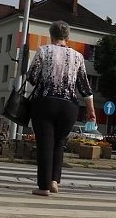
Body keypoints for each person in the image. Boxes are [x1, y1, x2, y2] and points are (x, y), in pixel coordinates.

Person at [26, 20, 95, 196]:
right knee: (59, 142)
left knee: (45, 144)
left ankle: (43, 187)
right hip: (69, 106)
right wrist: (91, 111)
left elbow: (32, 78)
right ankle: (55, 181)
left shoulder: (44, 51)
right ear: (67, 36)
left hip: (45, 102)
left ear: (51, 34)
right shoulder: (78, 56)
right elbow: (85, 88)